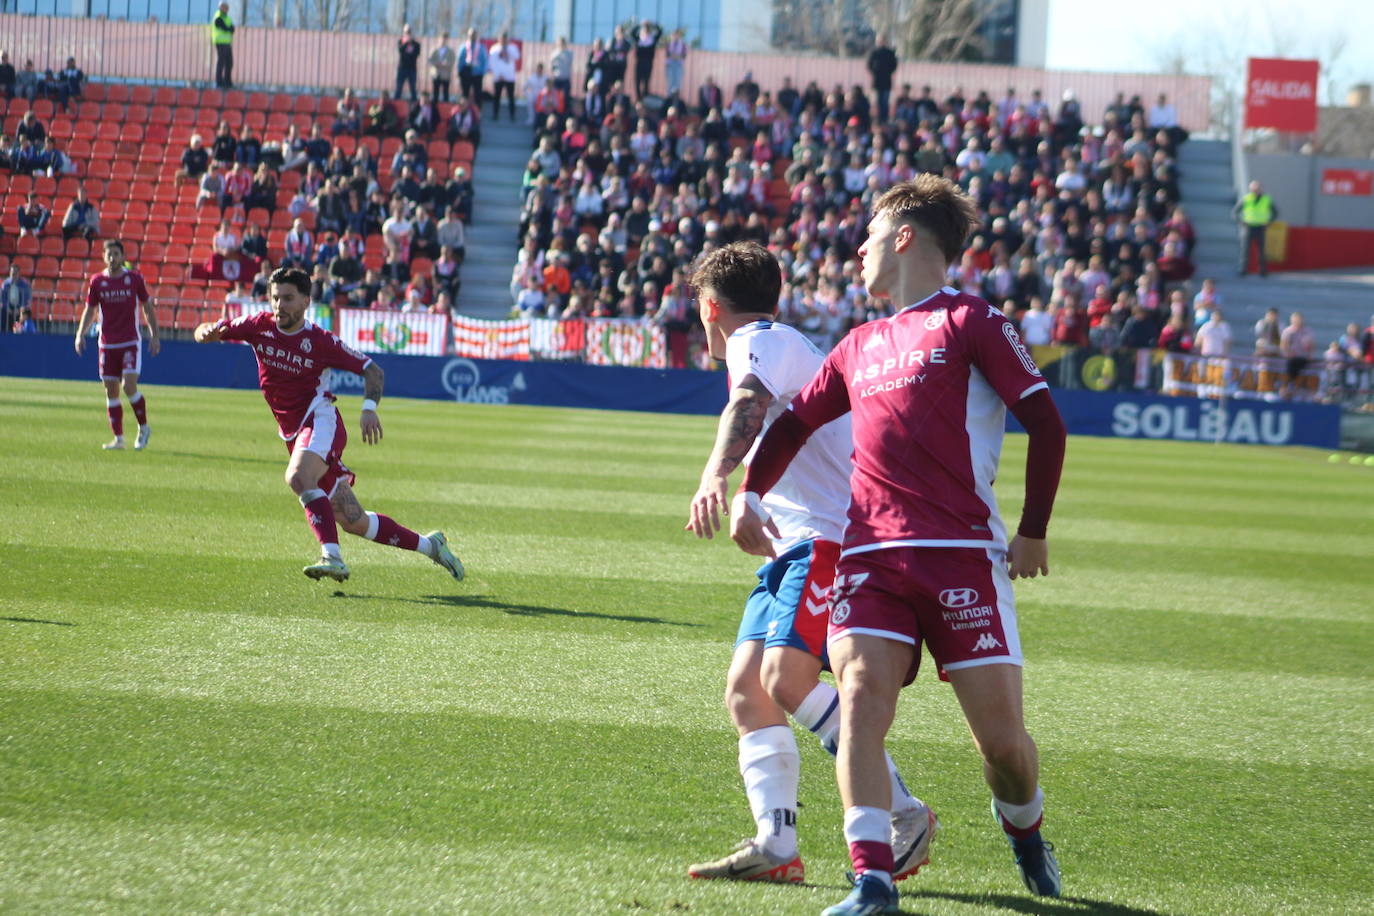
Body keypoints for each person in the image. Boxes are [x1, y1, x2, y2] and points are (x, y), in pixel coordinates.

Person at [737, 176, 1066, 915]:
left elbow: (1047, 422)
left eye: (871, 232)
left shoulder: (972, 320)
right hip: (870, 558)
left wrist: (1033, 529)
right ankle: (872, 880)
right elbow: (790, 425)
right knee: (858, 702)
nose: (858, 248)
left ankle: (1024, 825)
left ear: (906, 236)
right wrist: (750, 491)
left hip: (962, 558)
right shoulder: (857, 344)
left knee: (1005, 753)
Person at [684, 242, 937, 888]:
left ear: (710, 306)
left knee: (786, 677)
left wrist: (717, 477)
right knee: (749, 692)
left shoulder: (761, 340)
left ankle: (904, 811)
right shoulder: (779, 342)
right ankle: (777, 846)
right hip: (791, 545)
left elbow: (747, 404)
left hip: (830, 541)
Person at [193, 267, 466, 583]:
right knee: (355, 521)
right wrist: (206, 333)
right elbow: (210, 328)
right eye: (275, 298)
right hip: (295, 434)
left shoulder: (320, 341)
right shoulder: (258, 326)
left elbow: (373, 371)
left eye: (288, 298)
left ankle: (332, 557)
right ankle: (432, 546)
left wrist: (368, 408)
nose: (280, 305)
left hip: (321, 420)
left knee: (297, 476)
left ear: (306, 301)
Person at [73, 239, 160, 451]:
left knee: (128, 386)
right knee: (110, 390)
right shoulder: (97, 281)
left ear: (123, 256)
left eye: (116, 254)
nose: (112, 258)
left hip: (130, 340)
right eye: (109, 254)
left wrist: (154, 335)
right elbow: (90, 310)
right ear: (103, 256)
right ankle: (119, 439)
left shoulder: (134, 278)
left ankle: (144, 427)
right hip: (107, 344)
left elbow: (147, 307)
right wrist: (80, 334)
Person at [1233, 180, 1276, 277]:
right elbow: (1235, 212)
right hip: (1248, 226)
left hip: (1261, 227)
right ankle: (1243, 269)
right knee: (1245, 249)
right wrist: (1241, 222)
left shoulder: (1266, 199)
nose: (1255, 191)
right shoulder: (1246, 198)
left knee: (1261, 250)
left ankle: (1262, 270)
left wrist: (1269, 222)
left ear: (1261, 189)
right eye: (1253, 189)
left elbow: (1275, 212)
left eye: (1257, 189)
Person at [1280, 310, 1314, 400]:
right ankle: (1289, 386)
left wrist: (1310, 355)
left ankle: (1297, 386)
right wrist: (1287, 353)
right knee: (1291, 364)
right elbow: (1283, 344)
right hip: (1292, 357)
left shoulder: (1307, 331)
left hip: (1303, 356)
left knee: (1300, 365)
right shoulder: (1288, 331)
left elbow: (1311, 345)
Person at [488, 32, 520, 122]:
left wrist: (507, 49)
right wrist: (498, 74)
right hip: (498, 77)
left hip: (510, 77)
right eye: (502, 39)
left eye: (505, 39)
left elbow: (517, 57)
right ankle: (495, 115)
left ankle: (512, 115)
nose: (503, 40)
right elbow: (492, 63)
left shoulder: (512, 48)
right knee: (497, 97)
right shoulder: (494, 49)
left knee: (511, 97)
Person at [867, 34, 898, 124]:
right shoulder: (874, 52)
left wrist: (887, 72)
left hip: (886, 82)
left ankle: (884, 119)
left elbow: (894, 65)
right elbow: (869, 65)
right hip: (876, 82)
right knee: (875, 102)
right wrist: (875, 72)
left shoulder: (890, 53)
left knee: (884, 102)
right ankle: (876, 119)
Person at [633, 20, 663, 100]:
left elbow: (660, 32)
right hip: (639, 62)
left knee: (646, 80)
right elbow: (632, 33)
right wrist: (640, 25)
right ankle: (638, 98)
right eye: (644, 30)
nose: (645, 32)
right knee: (637, 81)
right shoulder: (639, 39)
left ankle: (645, 96)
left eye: (647, 30)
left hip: (648, 62)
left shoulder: (652, 39)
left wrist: (652, 24)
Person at [457, 29, 488, 106]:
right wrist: (460, 71)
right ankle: (464, 112)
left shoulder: (481, 47)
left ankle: (477, 113)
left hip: (477, 74)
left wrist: (483, 72)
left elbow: (485, 60)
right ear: (468, 35)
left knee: (478, 94)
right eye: (471, 35)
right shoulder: (464, 46)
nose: (472, 36)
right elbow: (460, 60)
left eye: (474, 34)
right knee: (465, 94)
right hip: (466, 73)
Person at [1, 263, 33, 334]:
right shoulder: (5, 284)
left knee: (24, 315)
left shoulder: (24, 285)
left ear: (18, 273)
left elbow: (25, 299)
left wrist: (20, 309)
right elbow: (3, 298)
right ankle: (3, 334)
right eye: (12, 273)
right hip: (8, 308)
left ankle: (20, 335)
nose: (13, 275)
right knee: (2, 312)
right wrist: (7, 307)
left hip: (19, 308)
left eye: (15, 273)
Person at [211, 2, 235, 89]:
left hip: (227, 42)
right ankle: (219, 82)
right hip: (220, 42)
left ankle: (227, 81)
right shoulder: (218, 16)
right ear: (220, 7)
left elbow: (231, 28)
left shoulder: (226, 17)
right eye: (224, 7)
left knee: (229, 62)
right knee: (221, 62)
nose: (226, 8)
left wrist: (229, 29)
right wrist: (229, 29)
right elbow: (225, 27)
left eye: (227, 7)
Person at [395, 24, 421, 103]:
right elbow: (400, 50)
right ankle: (396, 103)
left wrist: (411, 42)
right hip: (402, 68)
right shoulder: (401, 41)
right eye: (406, 32)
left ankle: (414, 104)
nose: (408, 33)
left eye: (409, 32)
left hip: (412, 68)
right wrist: (406, 43)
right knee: (399, 88)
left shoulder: (416, 44)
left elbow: (417, 54)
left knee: (413, 88)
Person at [429, 31, 455, 102]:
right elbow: (430, 60)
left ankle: (445, 110)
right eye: (442, 38)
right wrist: (437, 63)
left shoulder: (450, 51)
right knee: (435, 94)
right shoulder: (435, 49)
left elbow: (452, 61)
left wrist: (446, 64)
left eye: (445, 39)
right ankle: (434, 111)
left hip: (445, 75)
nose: (443, 40)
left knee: (445, 94)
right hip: (436, 74)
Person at [664, 29, 687, 100]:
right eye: (674, 35)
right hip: (670, 65)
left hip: (679, 65)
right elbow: (668, 54)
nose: (675, 36)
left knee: (677, 82)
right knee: (670, 81)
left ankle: (676, 97)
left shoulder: (682, 45)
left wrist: (675, 56)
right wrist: (676, 56)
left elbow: (683, 55)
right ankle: (669, 97)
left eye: (677, 35)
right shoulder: (669, 44)